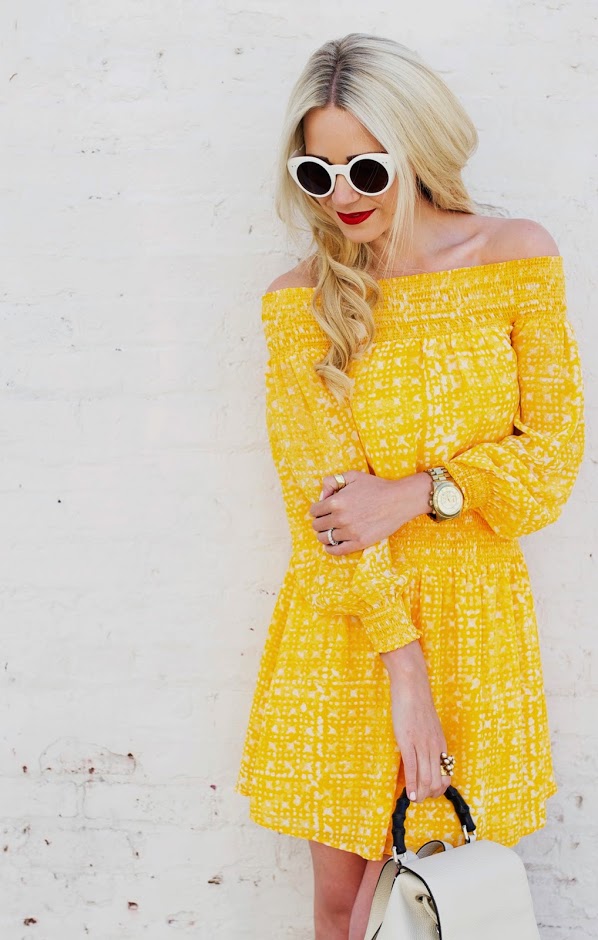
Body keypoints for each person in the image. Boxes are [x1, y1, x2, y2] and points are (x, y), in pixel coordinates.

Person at [235, 33, 585, 940]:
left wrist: (420, 491)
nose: (342, 195)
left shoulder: (515, 257)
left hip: (477, 627)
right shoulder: (300, 300)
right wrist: (405, 670)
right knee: (344, 908)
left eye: (364, 167)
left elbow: (551, 464)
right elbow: (323, 512)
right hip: (352, 626)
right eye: (317, 174)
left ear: (417, 148)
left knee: (438, 904)